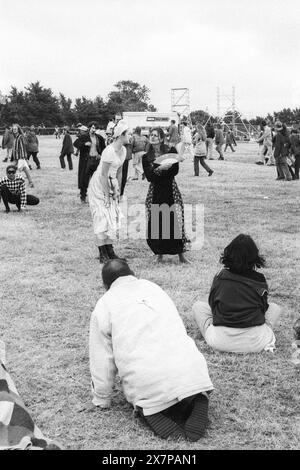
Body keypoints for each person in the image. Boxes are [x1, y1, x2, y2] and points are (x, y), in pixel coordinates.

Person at [89, 259, 214, 441]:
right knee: (186, 383)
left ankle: (151, 411)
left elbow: (101, 357)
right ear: (132, 274)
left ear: (105, 285)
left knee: (148, 398)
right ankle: (196, 397)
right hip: (191, 369)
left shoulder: (104, 304)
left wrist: (102, 398)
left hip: (147, 378)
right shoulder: (154, 288)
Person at [192, 234, 282, 353]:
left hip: (220, 341)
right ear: (254, 257)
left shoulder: (220, 276)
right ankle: (261, 333)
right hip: (256, 342)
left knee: (198, 307)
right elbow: (263, 308)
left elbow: (213, 306)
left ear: (229, 254)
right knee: (275, 308)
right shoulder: (259, 279)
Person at [142, 127, 190, 264]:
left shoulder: (171, 151)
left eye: (156, 135)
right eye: (151, 135)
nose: (153, 137)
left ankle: (181, 255)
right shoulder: (146, 157)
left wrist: (159, 171)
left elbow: (174, 170)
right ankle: (159, 254)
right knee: (157, 222)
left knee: (175, 220)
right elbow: (150, 177)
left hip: (170, 190)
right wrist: (160, 169)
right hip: (155, 192)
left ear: (162, 138)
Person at [88, 120, 129, 263]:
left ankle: (110, 250)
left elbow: (120, 172)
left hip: (112, 183)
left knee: (111, 217)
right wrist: (106, 194)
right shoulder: (109, 151)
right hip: (99, 185)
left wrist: (118, 190)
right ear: (121, 135)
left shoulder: (123, 150)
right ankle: (102, 253)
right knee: (101, 216)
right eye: (127, 133)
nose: (129, 136)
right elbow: (103, 174)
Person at [73, 123, 106, 203]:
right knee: (84, 179)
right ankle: (83, 197)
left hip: (96, 160)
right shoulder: (84, 137)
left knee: (96, 179)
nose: (94, 129)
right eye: (92, 127)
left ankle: (96, 197)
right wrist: (84, 144)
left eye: (95, 128)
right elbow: (75, 143)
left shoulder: (99, 138)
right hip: (86, 160)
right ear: (89, 128)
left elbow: (103, 148)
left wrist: (100, 154)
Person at [11, 124, 34, 188]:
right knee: (24, 169)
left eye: (15, 129)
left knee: (12, 169)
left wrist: (23, 158)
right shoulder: (15, 137)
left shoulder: (20, 137)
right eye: (13, 129)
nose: (14, 130)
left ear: (18, 129)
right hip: (16, 157)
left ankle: (15, 183)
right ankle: (31, 183)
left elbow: (22, 148)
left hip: (20, 157)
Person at [120, 133, 133, 199]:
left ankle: (121, 193)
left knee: (123, 177)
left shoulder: (127, 136)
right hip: (122, 158)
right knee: (122, 176)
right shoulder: (127, 136)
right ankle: (120, 193)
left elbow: (126, 142)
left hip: (124, 158)